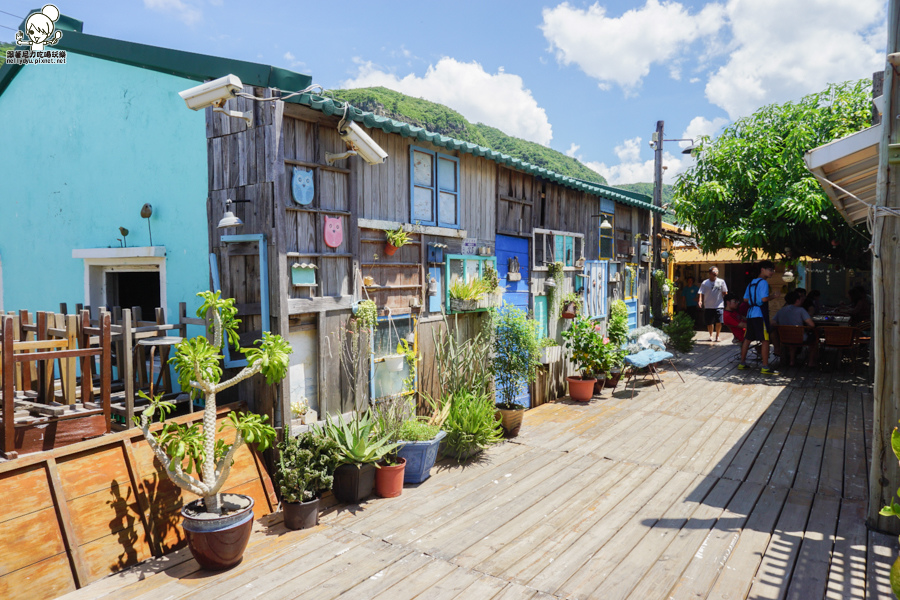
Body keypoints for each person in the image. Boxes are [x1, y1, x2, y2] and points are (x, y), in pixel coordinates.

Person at [739, 260, 780, 375]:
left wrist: (755, 299)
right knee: (765, 339)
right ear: (763, 269)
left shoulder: (752, 282)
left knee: (747, 339)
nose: (772, 272)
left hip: (750, 313)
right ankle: (765, 366)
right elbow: (763, 300)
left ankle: (742, 363)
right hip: (760, 314)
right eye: (770, 270)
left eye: (773, 270)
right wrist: (774, 296)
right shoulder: (763, 283)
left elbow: (745, 299)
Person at [772, 290, 819, 367]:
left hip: (784, 337)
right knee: (814, 339)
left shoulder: (781, 310)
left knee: (792, 341)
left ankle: (792, 361)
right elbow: (812, 324)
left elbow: (773, 322)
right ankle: (811, 362)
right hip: (799, 337)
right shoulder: (801, 310)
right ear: (797, 300)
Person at [698, 267, 728, 342]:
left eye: (716, 272)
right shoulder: (705, 282)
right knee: (709, 322)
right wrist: (700, 301)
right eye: (713, 273)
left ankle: (717, 336)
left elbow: (725, 291)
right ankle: (711, 335)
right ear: (710, 273)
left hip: (719, 304)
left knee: (719, 321)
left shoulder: (721, 281)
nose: (715, 274)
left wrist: (725, 297)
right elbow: (701, 292)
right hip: (708, 305)